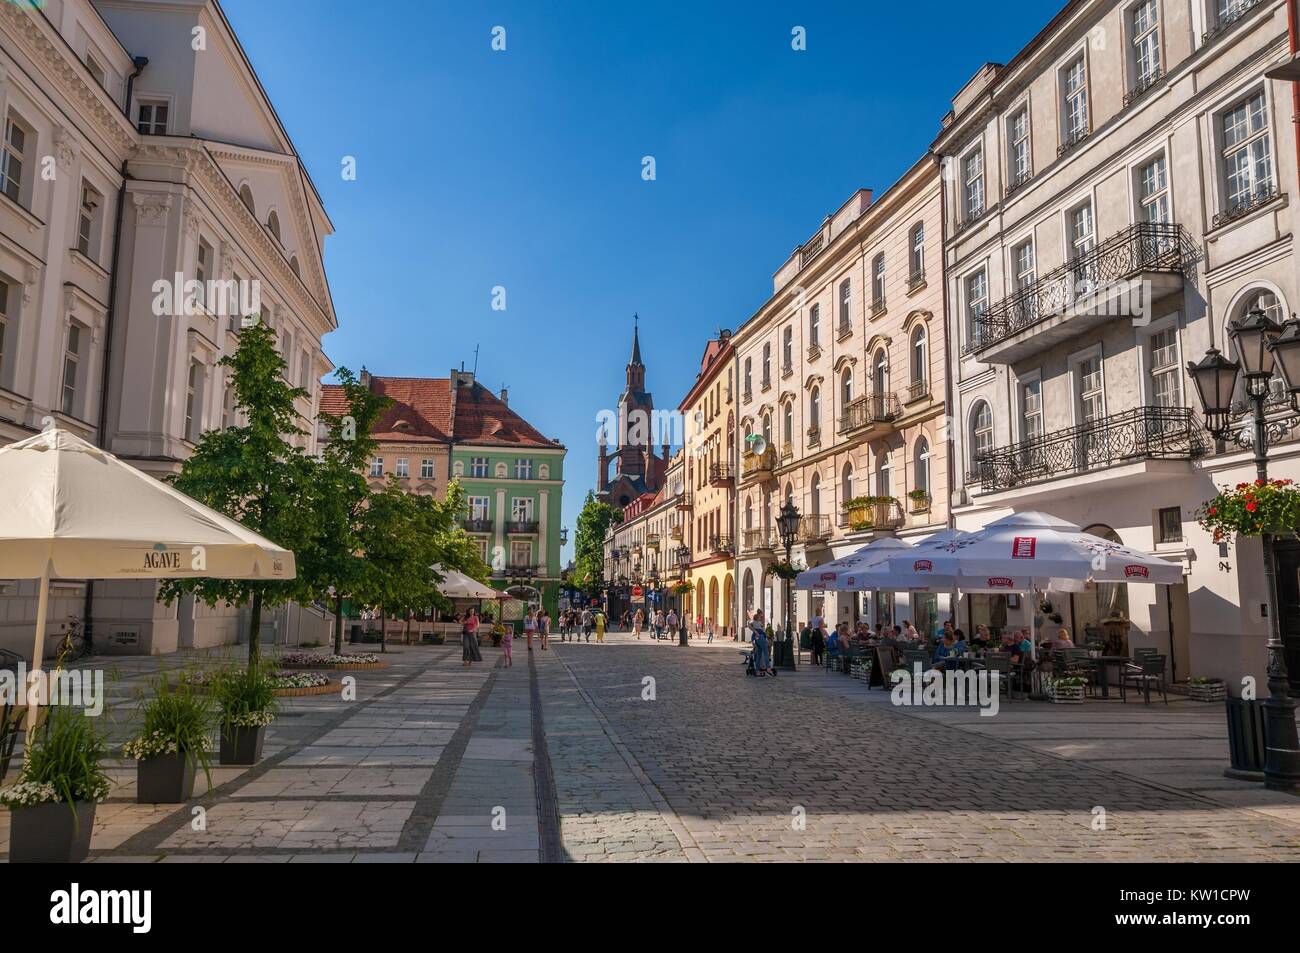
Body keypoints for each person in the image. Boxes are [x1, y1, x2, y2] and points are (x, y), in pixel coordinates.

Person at [749, 610, 771, 676]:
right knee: (766, 652)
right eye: (760, 616)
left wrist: (765, 637)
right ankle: (768, 668)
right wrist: (755, 632)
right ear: (758, 616)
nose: (761, 617)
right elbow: (750, 625)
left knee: (759, 654)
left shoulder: (759, 622)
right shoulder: (755, 622)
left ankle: (757, 670)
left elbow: (762, 630)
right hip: (760, 637)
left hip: (759, 636)